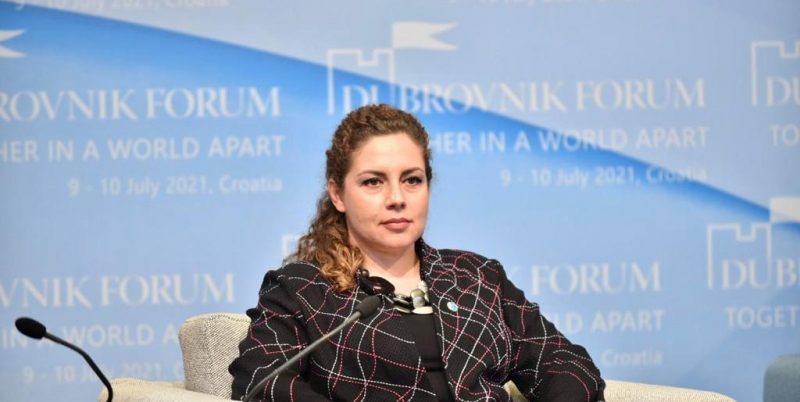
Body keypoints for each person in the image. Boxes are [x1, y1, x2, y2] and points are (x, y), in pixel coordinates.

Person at [229, 104, 604, 401]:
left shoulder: (477, 277)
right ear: (338, 194)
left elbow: (563, 362)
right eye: (373, 182)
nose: (397, 198)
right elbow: (262, 380)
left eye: (412, 180)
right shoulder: (301, 290)